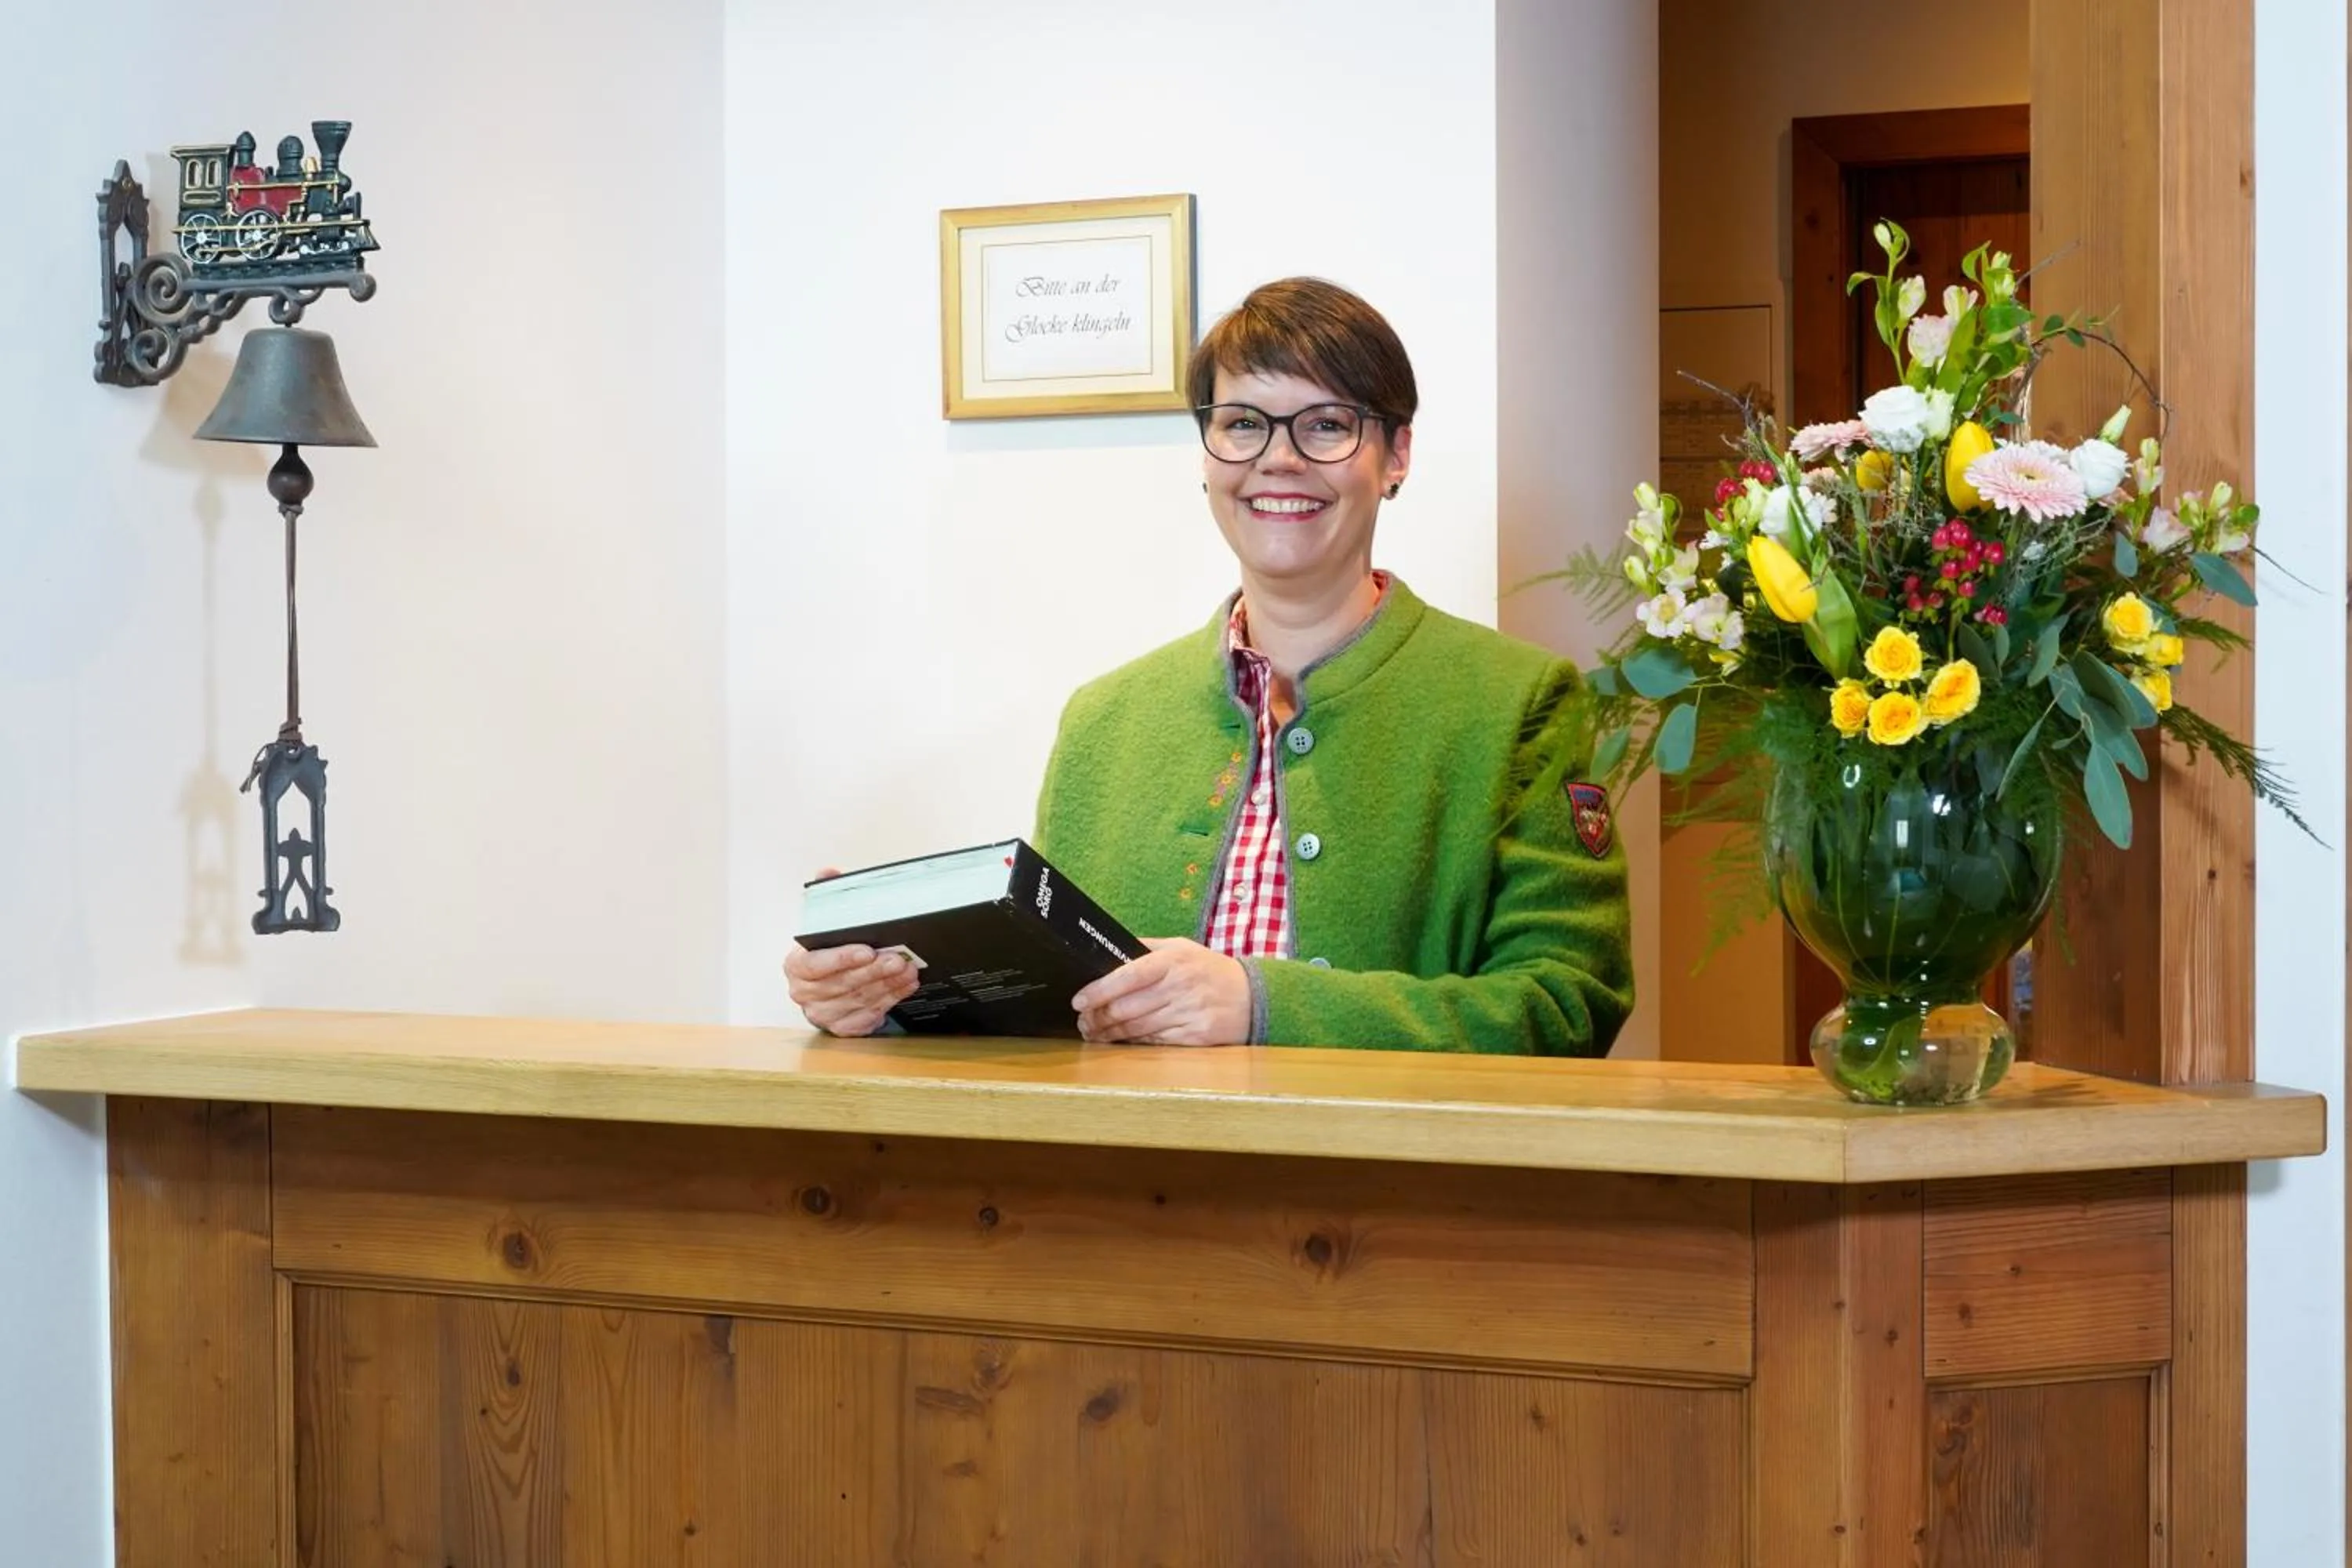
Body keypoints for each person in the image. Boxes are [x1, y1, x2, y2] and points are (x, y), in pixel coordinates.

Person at [786, 278, 1632, 1054]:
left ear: (1397, 454)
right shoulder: (1106, 717)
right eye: (1242, 424)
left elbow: (1568, 1002)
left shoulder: (1516, 699)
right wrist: (887, 1000)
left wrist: (1264, 1005)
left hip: (1393, 1200)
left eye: (1328, 424)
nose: (1279, 458)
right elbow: (1052, 1010)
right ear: (1206, 453)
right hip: (1126, 1201)